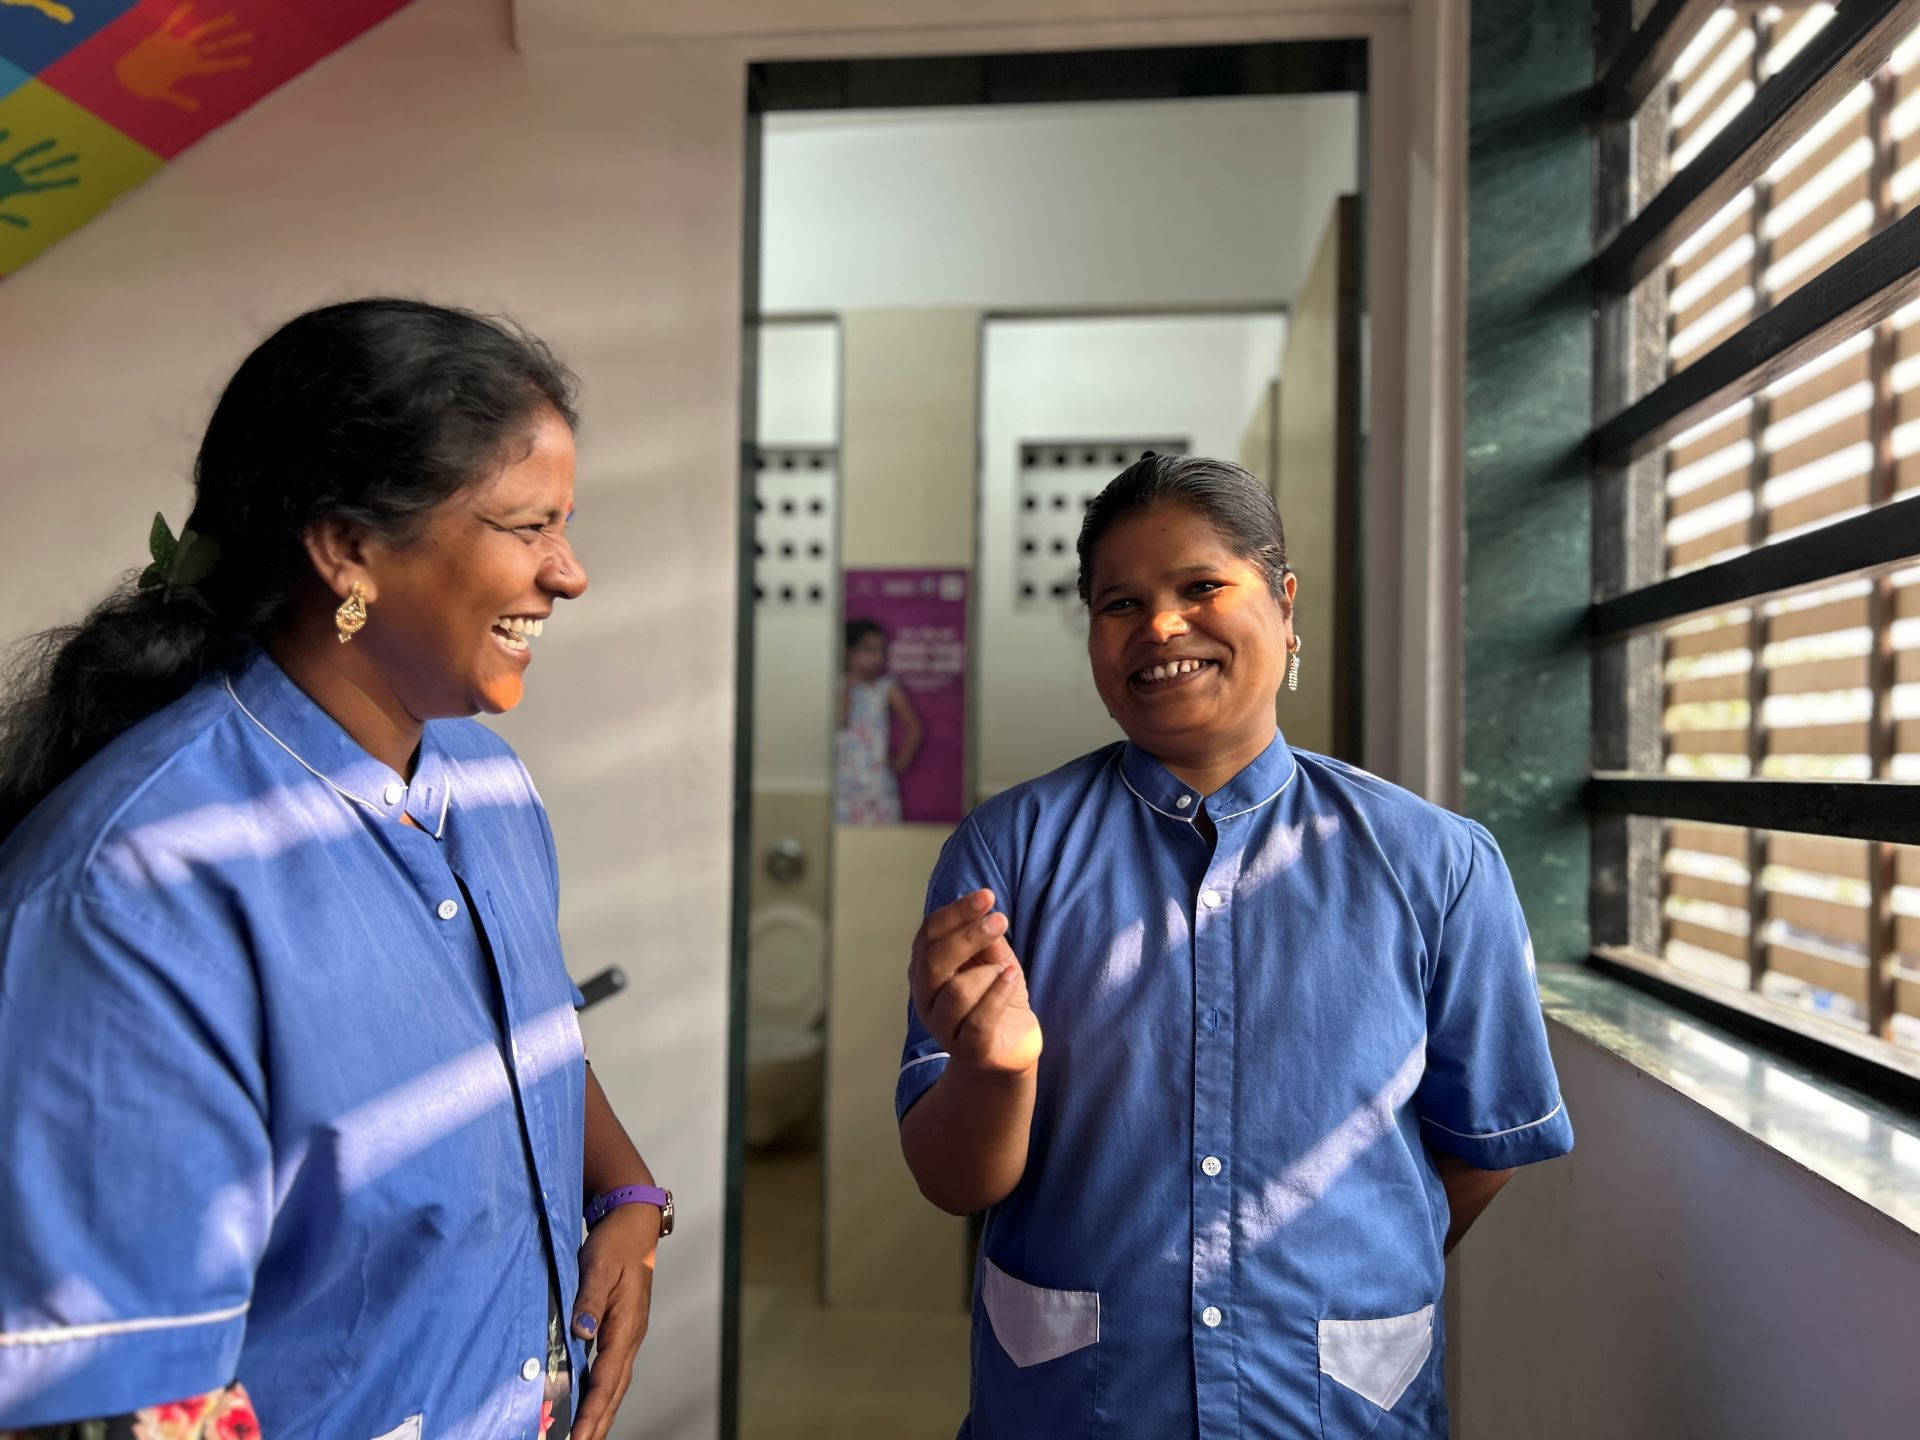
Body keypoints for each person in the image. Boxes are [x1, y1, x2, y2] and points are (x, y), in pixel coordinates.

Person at [0, 300, 669, 1440]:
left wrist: (627, 1195)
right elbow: (121, 1396)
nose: (571, 574)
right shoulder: (140, 891)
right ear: (347, 547)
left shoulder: (491, 787)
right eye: (527, 525)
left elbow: (514, 1029)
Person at [897, 455, 1572, 1438]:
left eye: (1201, 587)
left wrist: (1344, 1263)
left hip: (1334, 1413)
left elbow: (1478, 1153)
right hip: (1083, 1409)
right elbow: (952, 1180)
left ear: (1285, 604)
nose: (1161, 626)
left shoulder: (1437, 864)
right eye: (1119, 602)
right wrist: (998, 1069)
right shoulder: (1008, 855)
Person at [836, 617, 923, 825]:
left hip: (875, 779)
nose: (876, 658)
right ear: (848, 652)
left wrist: (898, 764)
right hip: (842, 777)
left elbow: (914, 729)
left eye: (880, 651)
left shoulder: (886, 688)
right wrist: (848, 686)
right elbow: (840, 722)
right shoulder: (838, 687)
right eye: (867, 650)